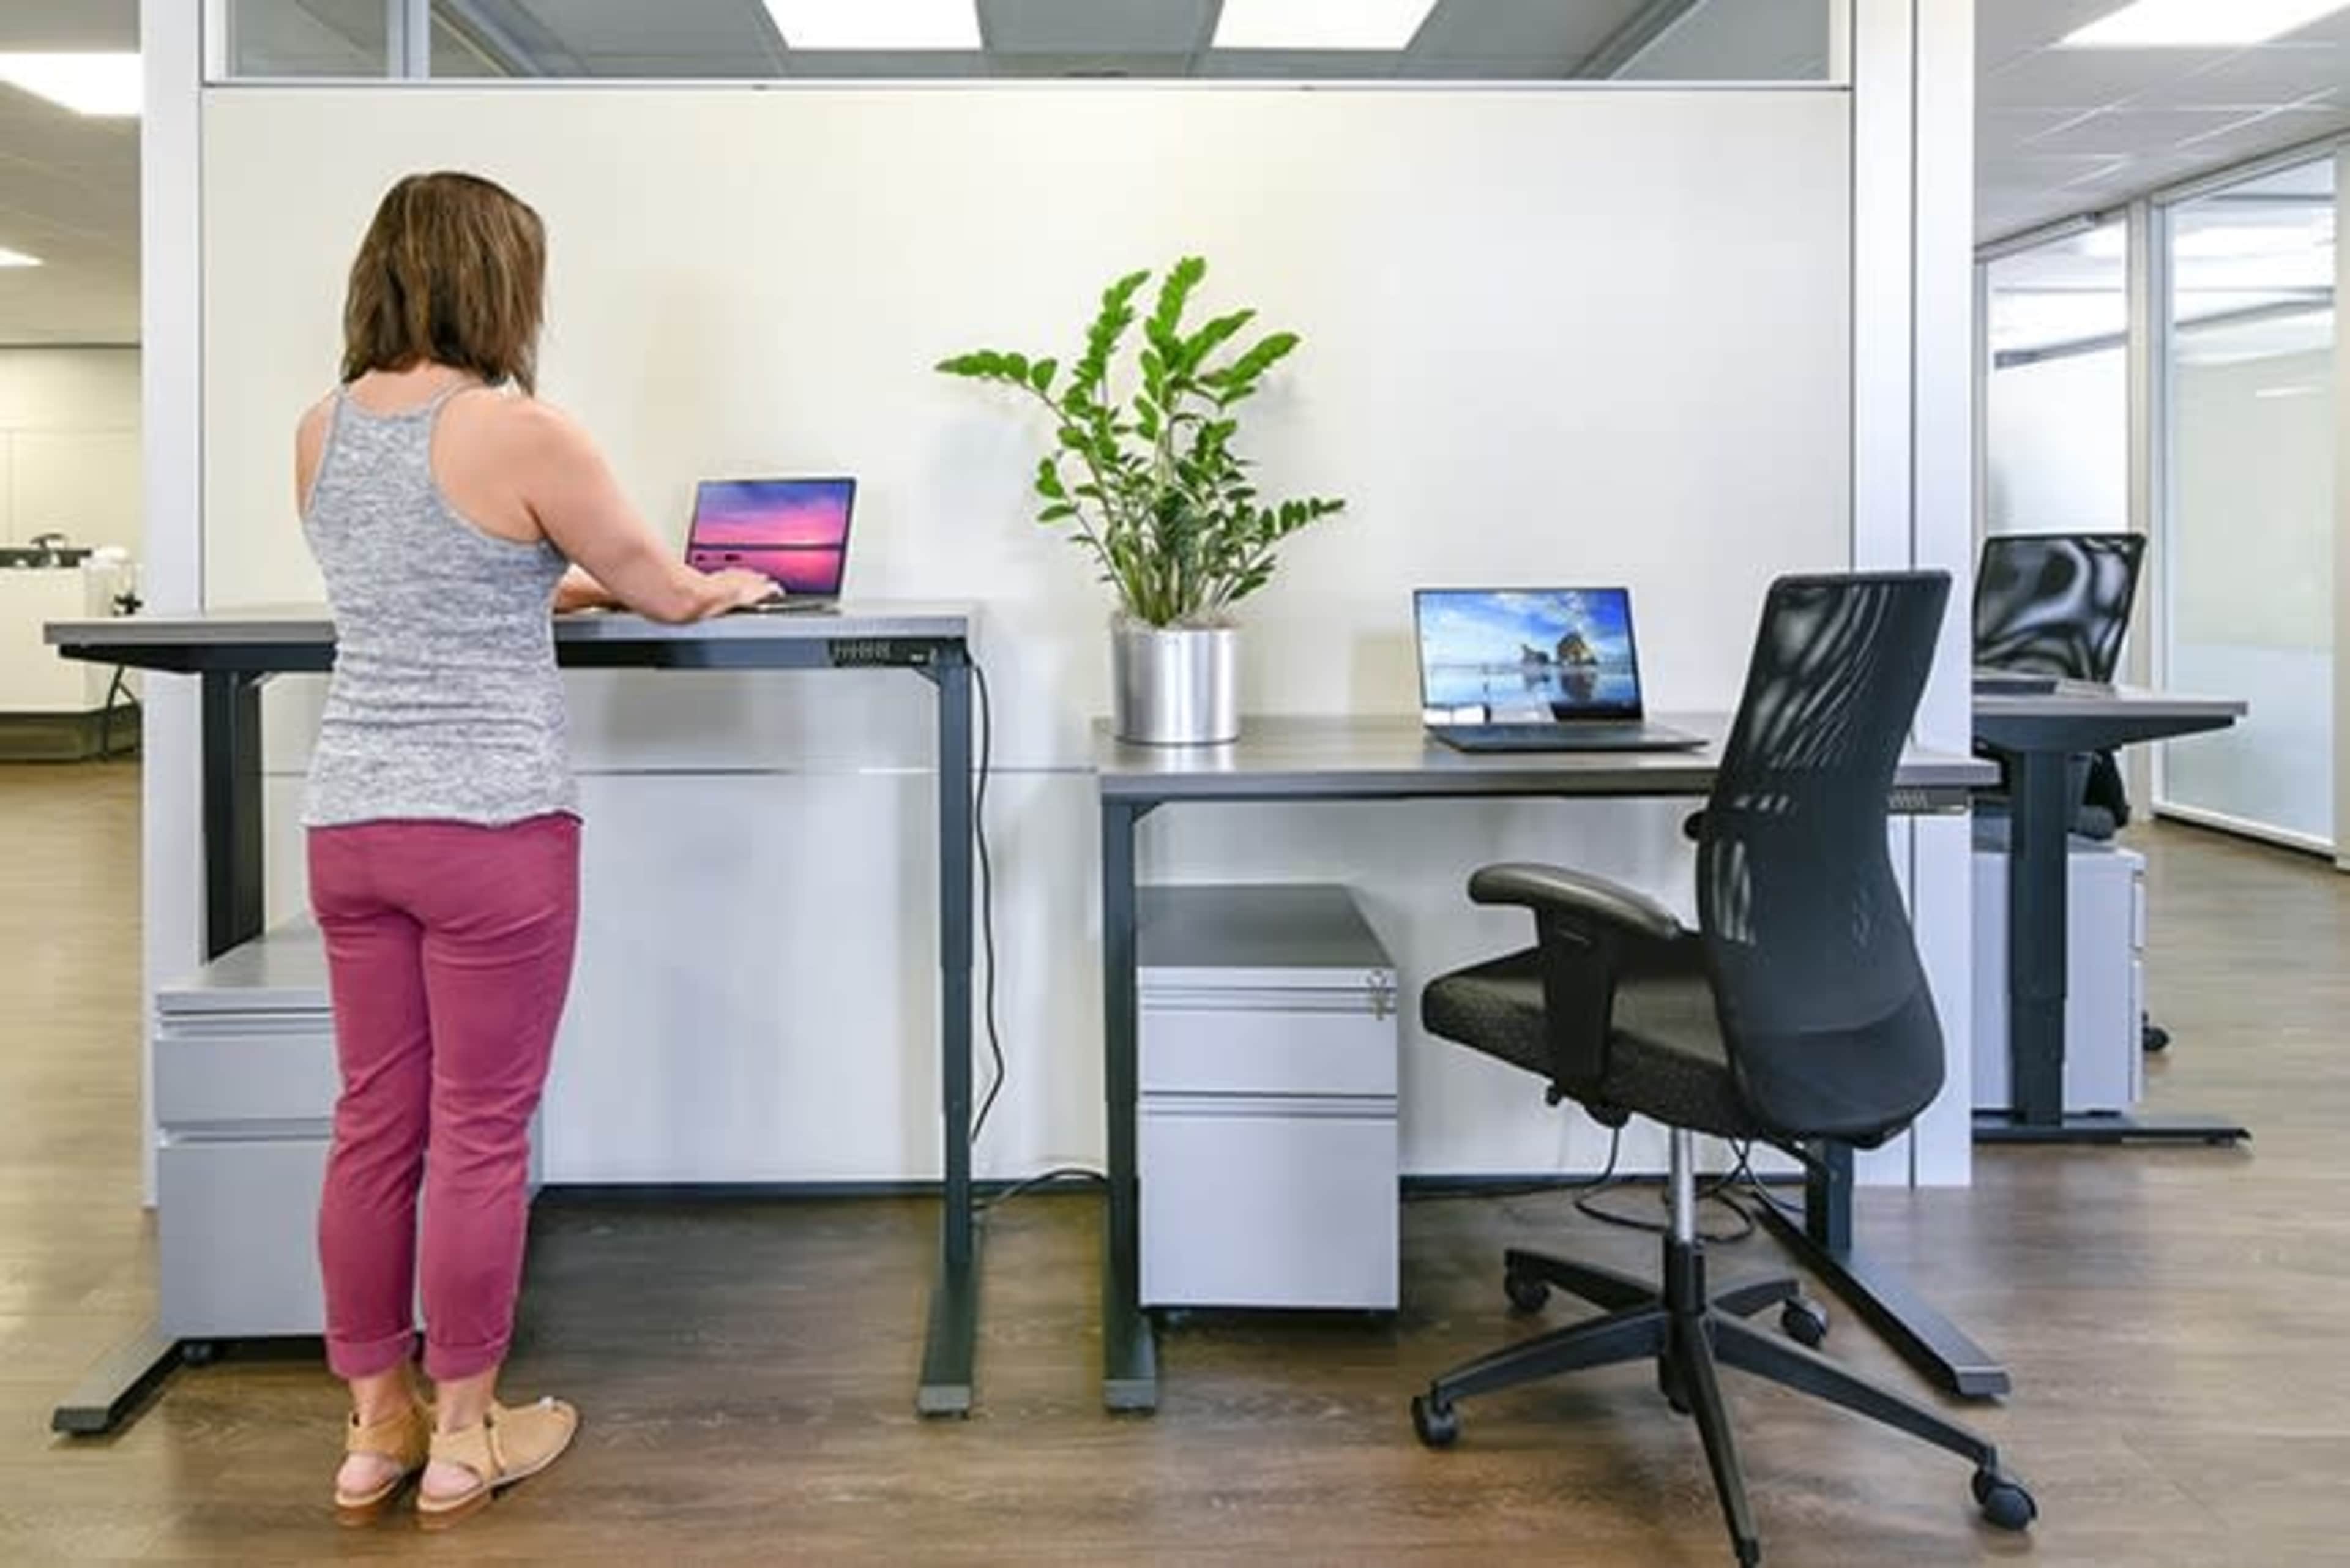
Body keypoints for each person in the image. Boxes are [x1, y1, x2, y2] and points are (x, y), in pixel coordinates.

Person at [299, 170, 771, 1528]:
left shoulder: (318, 430)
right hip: (489, 826)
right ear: (498, 283)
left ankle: (370, 1430)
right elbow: (667, 590)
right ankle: (462, 1438)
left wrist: (545, 573)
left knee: (372, 1125)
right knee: (481, 1129)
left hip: (352, 822)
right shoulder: (525, 428)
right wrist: (716, 583)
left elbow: (419, 576)